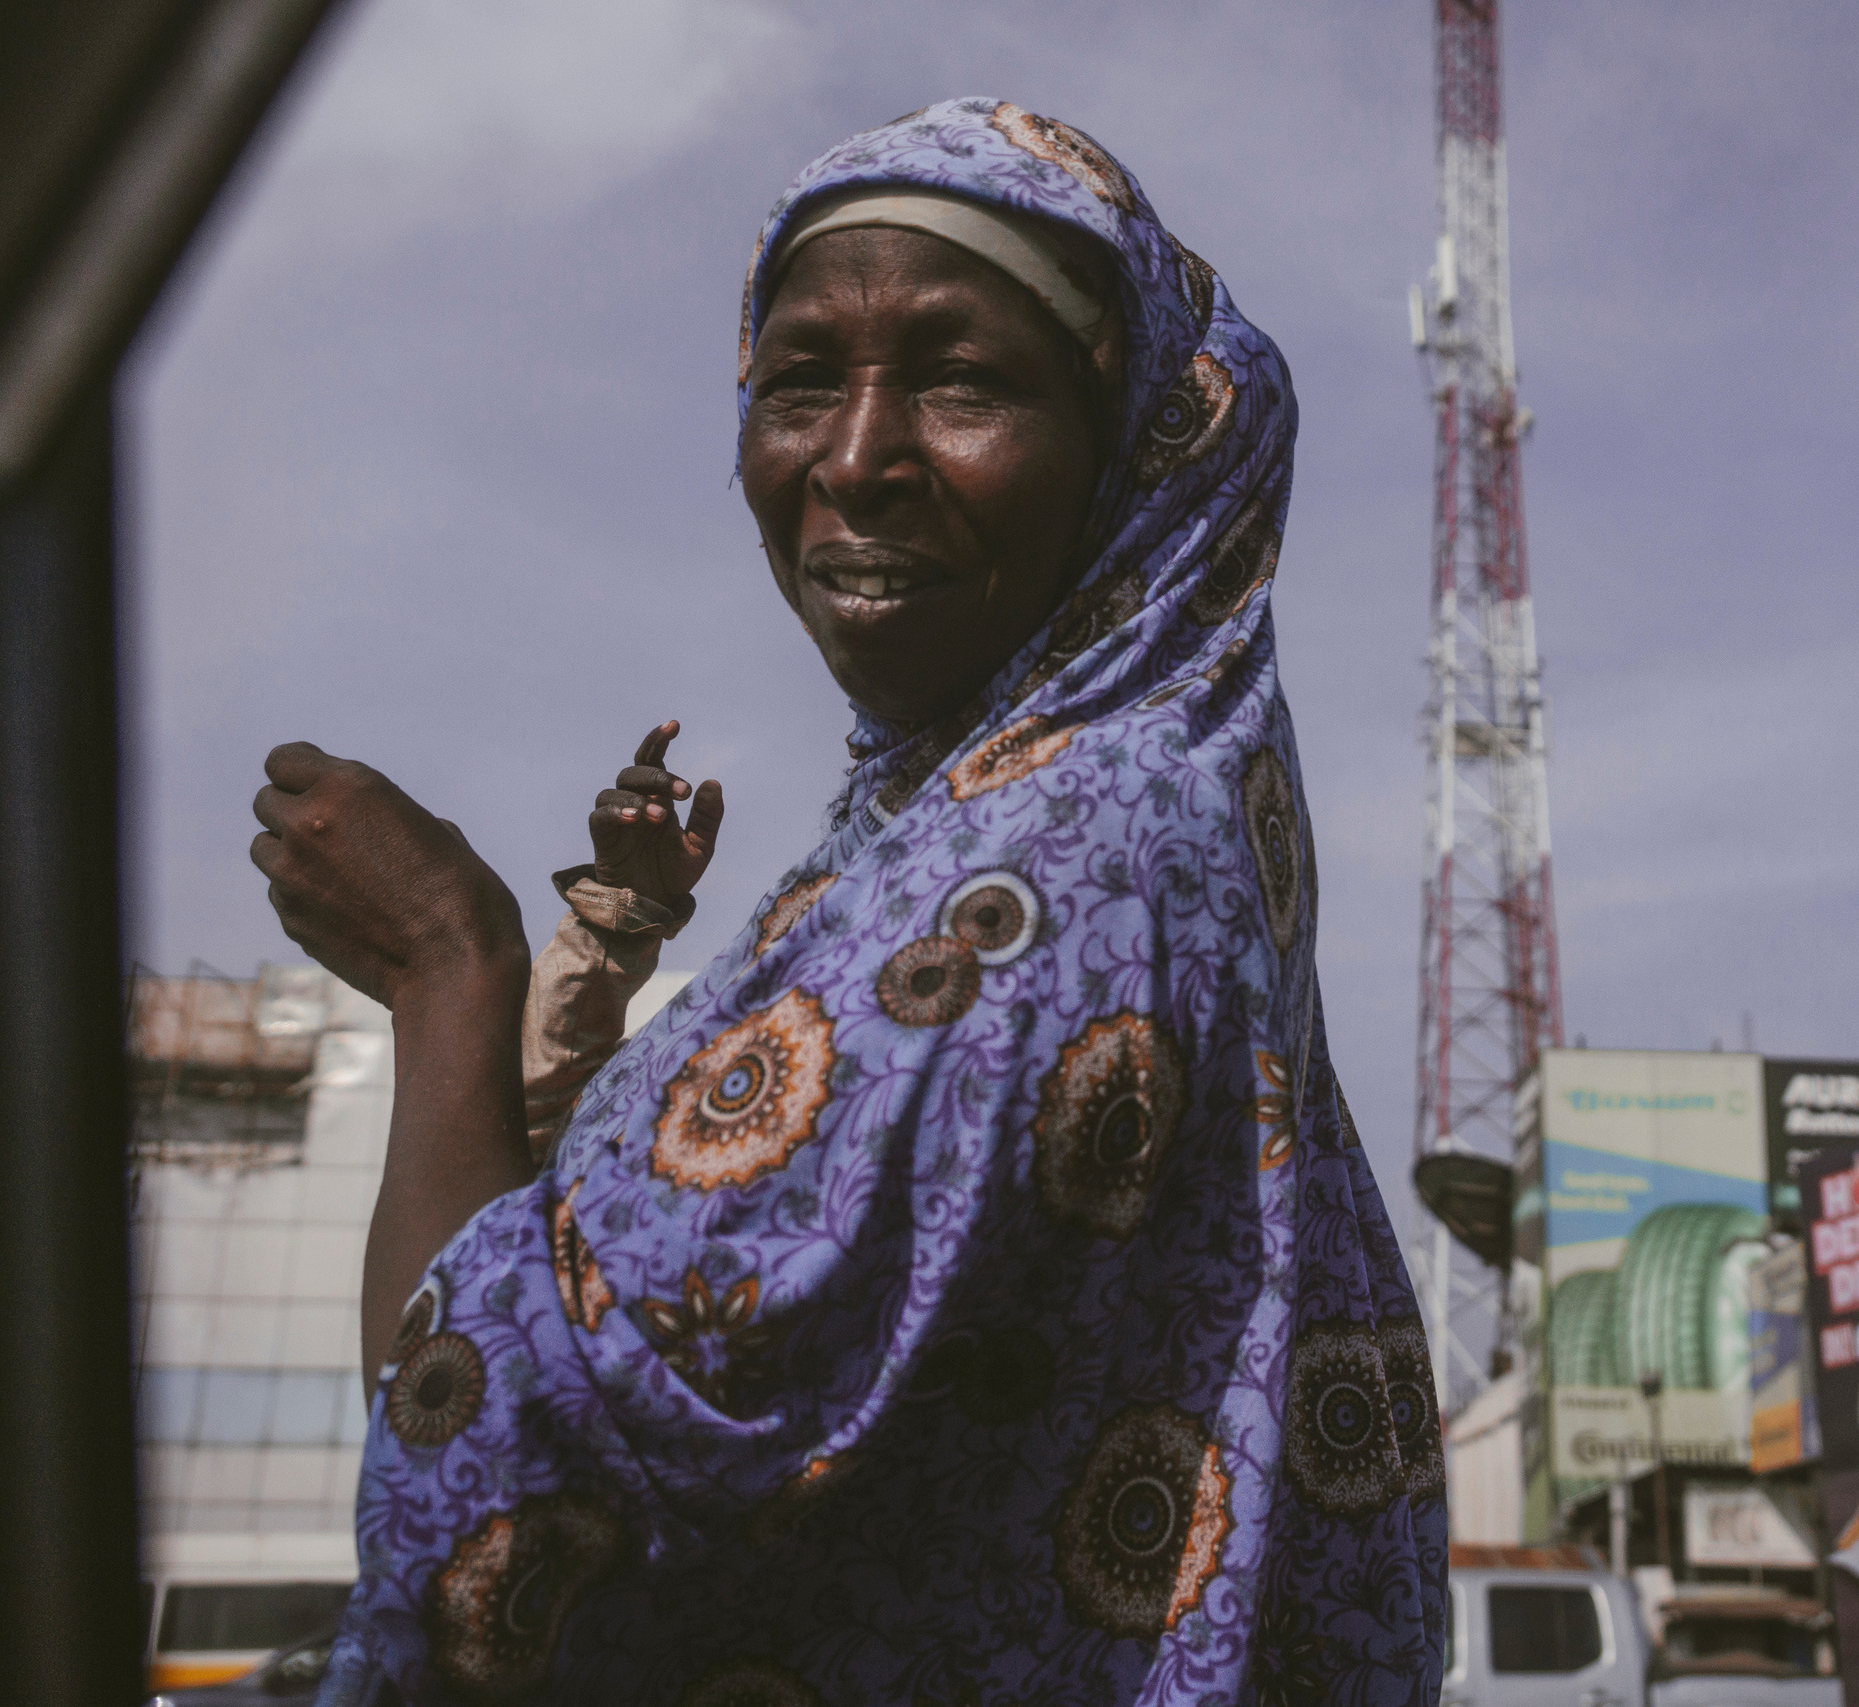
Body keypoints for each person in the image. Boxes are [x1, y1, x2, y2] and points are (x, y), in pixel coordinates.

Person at [252, 99, 1445, 1705]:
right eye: (802, 379)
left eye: (964, 382)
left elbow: (494, 1433)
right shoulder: (990, 806)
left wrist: (444, 959)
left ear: (1131, 442)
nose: (860, 458)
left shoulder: (1060, 855)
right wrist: (612, 939)